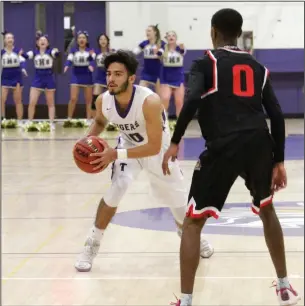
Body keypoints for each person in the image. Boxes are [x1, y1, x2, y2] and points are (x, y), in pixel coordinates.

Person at [162, 8, 300, 306]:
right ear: (238, 33)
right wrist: (278, 161)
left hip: (224, 145)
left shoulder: (205, 63)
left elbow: (192, 100)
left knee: (193, 222)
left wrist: (175, 140)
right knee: (267, 211)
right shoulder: (258, 67)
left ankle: (185, 300)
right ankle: (285, 286)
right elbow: (276, 115)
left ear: (213, 31)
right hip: (258, 144)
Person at [74, 50, 214, 272]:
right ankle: (92, 243)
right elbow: (100, 121)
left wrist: (114, 154)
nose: (111, 79)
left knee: (179, 208)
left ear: (131, 78)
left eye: (118, 74)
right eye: (109, 73)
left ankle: (185, 231)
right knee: (118, 186)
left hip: (159, 154)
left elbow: (153, 147)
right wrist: (87, 140)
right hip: (127, 148)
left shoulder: (149, 101)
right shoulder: (103, 100)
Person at [25, 34, 59, 129]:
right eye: (40, 40)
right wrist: (21, 54)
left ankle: (51, 122)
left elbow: (56, 54)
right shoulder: (34, 52)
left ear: (48, 43)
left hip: (49, 77)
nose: (42, 41)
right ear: (37, 43)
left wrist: (57, 52)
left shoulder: (50, 51)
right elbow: (26, 56)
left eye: (44, 40)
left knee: (50, 103)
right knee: (32, 101)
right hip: (38, 78)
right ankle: (30, 121)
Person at [64, 30, 95, 120]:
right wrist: (66, 66)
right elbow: (69, 60)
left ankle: (89, 119)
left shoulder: (90, 51)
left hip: (87, 76)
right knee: (73, 98)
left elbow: (92, 60)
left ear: (87, 40)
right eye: (80, 38)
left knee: (88, 100)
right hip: (76, 75)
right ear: (77, 40)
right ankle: (69, 118)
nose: (82, 39)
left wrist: (91, 65)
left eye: (84, 38)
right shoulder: (73, 50)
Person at [158, 31, 186, 120]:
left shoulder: (180, 48)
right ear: (166, 38)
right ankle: (163, 123)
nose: (171, 37)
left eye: (173, 35)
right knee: (165, 100)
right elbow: (159, 54)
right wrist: (157, 50)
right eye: (169, 36)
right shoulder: (163, 48)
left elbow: (182, 52)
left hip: (178, 78)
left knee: (179, 102)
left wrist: (182, 48)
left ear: (176, 38)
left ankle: (180, 125)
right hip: (166, 78)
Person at [1, 31, 27, 122]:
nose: (10, 40)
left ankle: (20, 120)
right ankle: (3, 118)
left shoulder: (18, 51)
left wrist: (23, 69)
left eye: (11, 38)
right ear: (4, 40)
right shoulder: (2, 52)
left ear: (13, 40)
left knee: (18, 100)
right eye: (8, 38)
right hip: (5, 77)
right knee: (2, 99)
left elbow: (24, 60)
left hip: (16, 77)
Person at [133, 25, 165, 95]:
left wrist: (158, 52)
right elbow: (135, 52)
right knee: (139, 93)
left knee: (159, 97)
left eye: (149, 31)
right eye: (146, 31)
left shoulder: (161, 43)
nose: (147, 32)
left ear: (155, 32)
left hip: (158, 74)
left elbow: (162, 54)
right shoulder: (144, 43)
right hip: (146, 73)